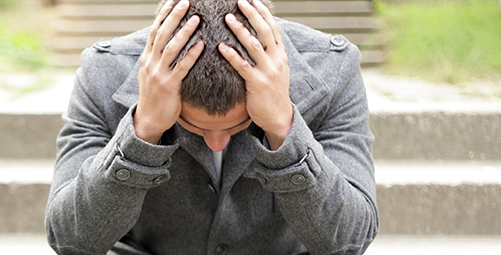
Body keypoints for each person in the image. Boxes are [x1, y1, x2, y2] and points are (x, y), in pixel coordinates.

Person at [45, 0, 378, 254]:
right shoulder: (103, 72)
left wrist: (282, 126)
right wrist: (143, 130)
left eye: (237, 125)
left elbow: (349, 242)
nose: (217, 143)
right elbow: (71, 241)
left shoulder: (335, 68)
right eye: (195, 125)